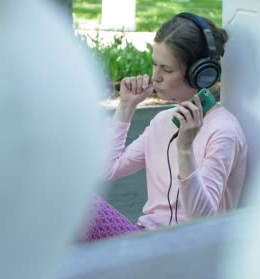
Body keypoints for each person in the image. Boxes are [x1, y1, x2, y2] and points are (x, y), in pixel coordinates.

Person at [82, 13, 247, 242]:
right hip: (145, 242)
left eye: (167, 70)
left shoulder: (223, 131)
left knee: (81, 207)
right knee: (70, 199)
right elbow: (106, 169)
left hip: (191, 252)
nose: (155, 77)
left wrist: (185, 149)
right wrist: (126, 108)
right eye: (154, 65)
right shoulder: (162, 122)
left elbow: (203, 219)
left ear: (201, 75)